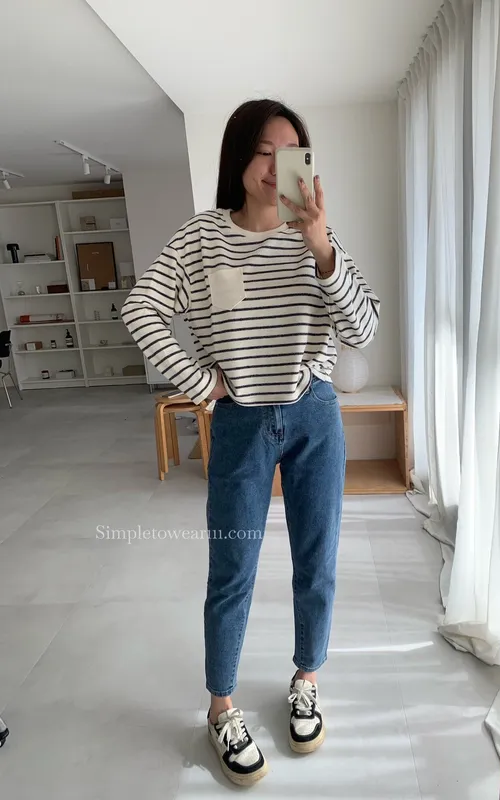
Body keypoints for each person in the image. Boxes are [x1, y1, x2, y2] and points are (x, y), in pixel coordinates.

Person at [121, 99, 380, 786]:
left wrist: (321, 245)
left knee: (317, 562)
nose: (276, 166)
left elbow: (362, 330)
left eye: (291, 153)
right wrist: (201, 384)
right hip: (239, 423)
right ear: (239, 157)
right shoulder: (201, 238)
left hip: (314, 415)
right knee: (231, 571)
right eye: (265, 151)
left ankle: (307, 679)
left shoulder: (316, 237)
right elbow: (141, 309)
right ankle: (221, 708)